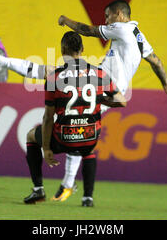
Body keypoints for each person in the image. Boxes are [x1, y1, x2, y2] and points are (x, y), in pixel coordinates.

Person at [0, 0, 167, 201]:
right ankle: (68, 184)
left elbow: (87, 30)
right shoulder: (139, 37)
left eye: (108, 16)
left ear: (119, 14)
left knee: (52, 76)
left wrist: (65, 20)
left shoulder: (121, 28)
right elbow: (156, 62)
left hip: (100, 85)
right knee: (76, 124)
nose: (106, 21)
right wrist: (166, 86)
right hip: (106, 90)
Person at [23, 31, 126, 207]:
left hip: (64, 138)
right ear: (83, 49)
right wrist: (101, 101)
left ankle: (38, 189)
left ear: (63, 50)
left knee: (31, 135)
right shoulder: (100, 74)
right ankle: (88, 198)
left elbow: (48, 117)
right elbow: (121, 101)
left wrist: (47, 149)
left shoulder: (54, 77)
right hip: (90, 137)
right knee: (88, 149)